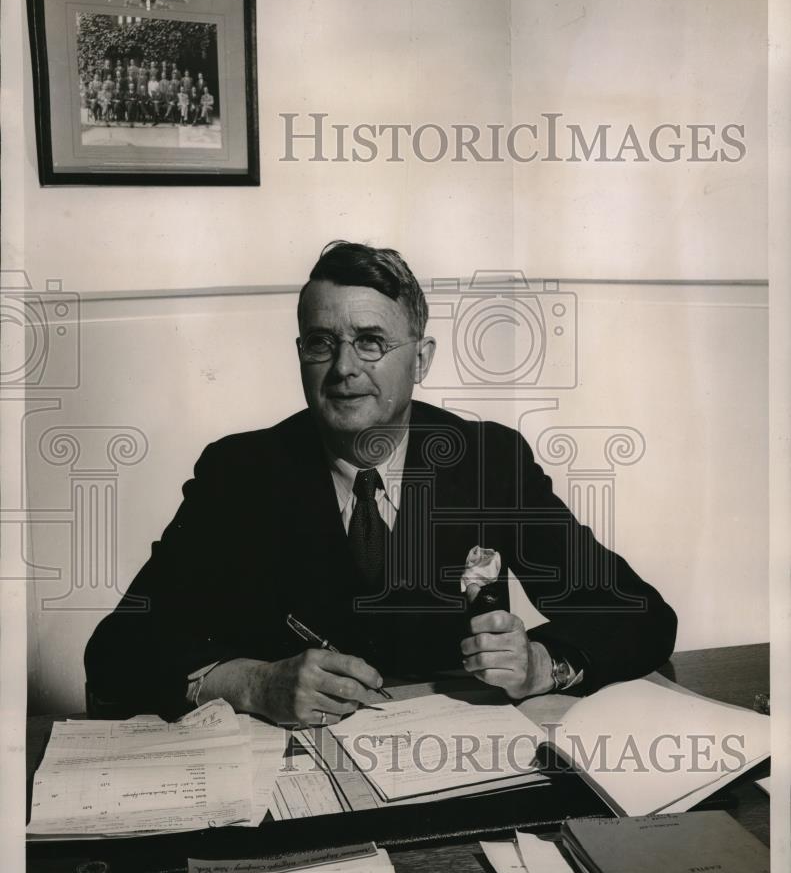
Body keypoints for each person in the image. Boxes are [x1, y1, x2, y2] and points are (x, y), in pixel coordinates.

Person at [85, 241, 677, 722]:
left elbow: (641, 615)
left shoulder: (487, 459)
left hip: (450, 767)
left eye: (371, 341)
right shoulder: (240, 472)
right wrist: (251, 683)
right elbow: (115, 651)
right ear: (300, 354)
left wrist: (544, 665)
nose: (344, 369)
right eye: (322, 343)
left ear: (421, 360)